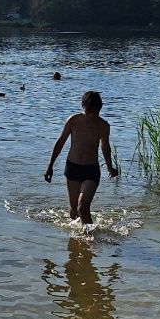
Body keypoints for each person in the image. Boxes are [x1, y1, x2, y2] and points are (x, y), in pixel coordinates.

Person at [44, 91, 118, 225]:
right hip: (73, 168)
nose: (92, 114)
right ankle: (76, 242)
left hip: (91, 170)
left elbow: (105, 147)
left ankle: (90, 239)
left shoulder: (103, 126)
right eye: (89, 110)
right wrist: (50, 166)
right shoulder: (73, 120)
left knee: (82, 207)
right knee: (74, 210)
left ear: (99, 108)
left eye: (95, 110)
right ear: (83, 106)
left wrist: (109, 167)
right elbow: (60, 142)